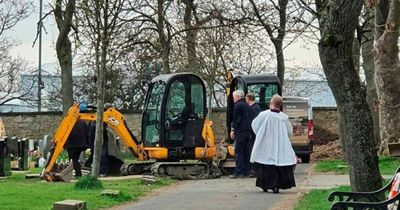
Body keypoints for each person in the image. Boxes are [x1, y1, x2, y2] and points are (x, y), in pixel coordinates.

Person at [250, 94, 296, 193]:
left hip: (266, 144)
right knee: (278, 163)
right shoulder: (284, 117)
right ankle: (276, 185)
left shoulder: (263, 115)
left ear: (271, 103)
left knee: (265, 163)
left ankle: (265, 185)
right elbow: (289, 132)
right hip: (280, 145)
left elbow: (255, 125)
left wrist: (260, 135)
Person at [229, 90, 251, 179]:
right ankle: (245, 172)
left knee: (238, 152)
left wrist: (233, 130)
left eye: (234, 97)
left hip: (240, 131)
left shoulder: (237, 105)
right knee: (246, 151)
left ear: (238, 97)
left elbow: (236, 119)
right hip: (247, 131)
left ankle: (238, 172)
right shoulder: (247, 105)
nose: (233, 99)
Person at [245, 92, 261, 177]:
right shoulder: (255, 107)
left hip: (253, 134)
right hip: (254, 133)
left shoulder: (254, 108)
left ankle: (254, 169)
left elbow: (254, 122)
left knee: (253, 150)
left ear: (248, 99)